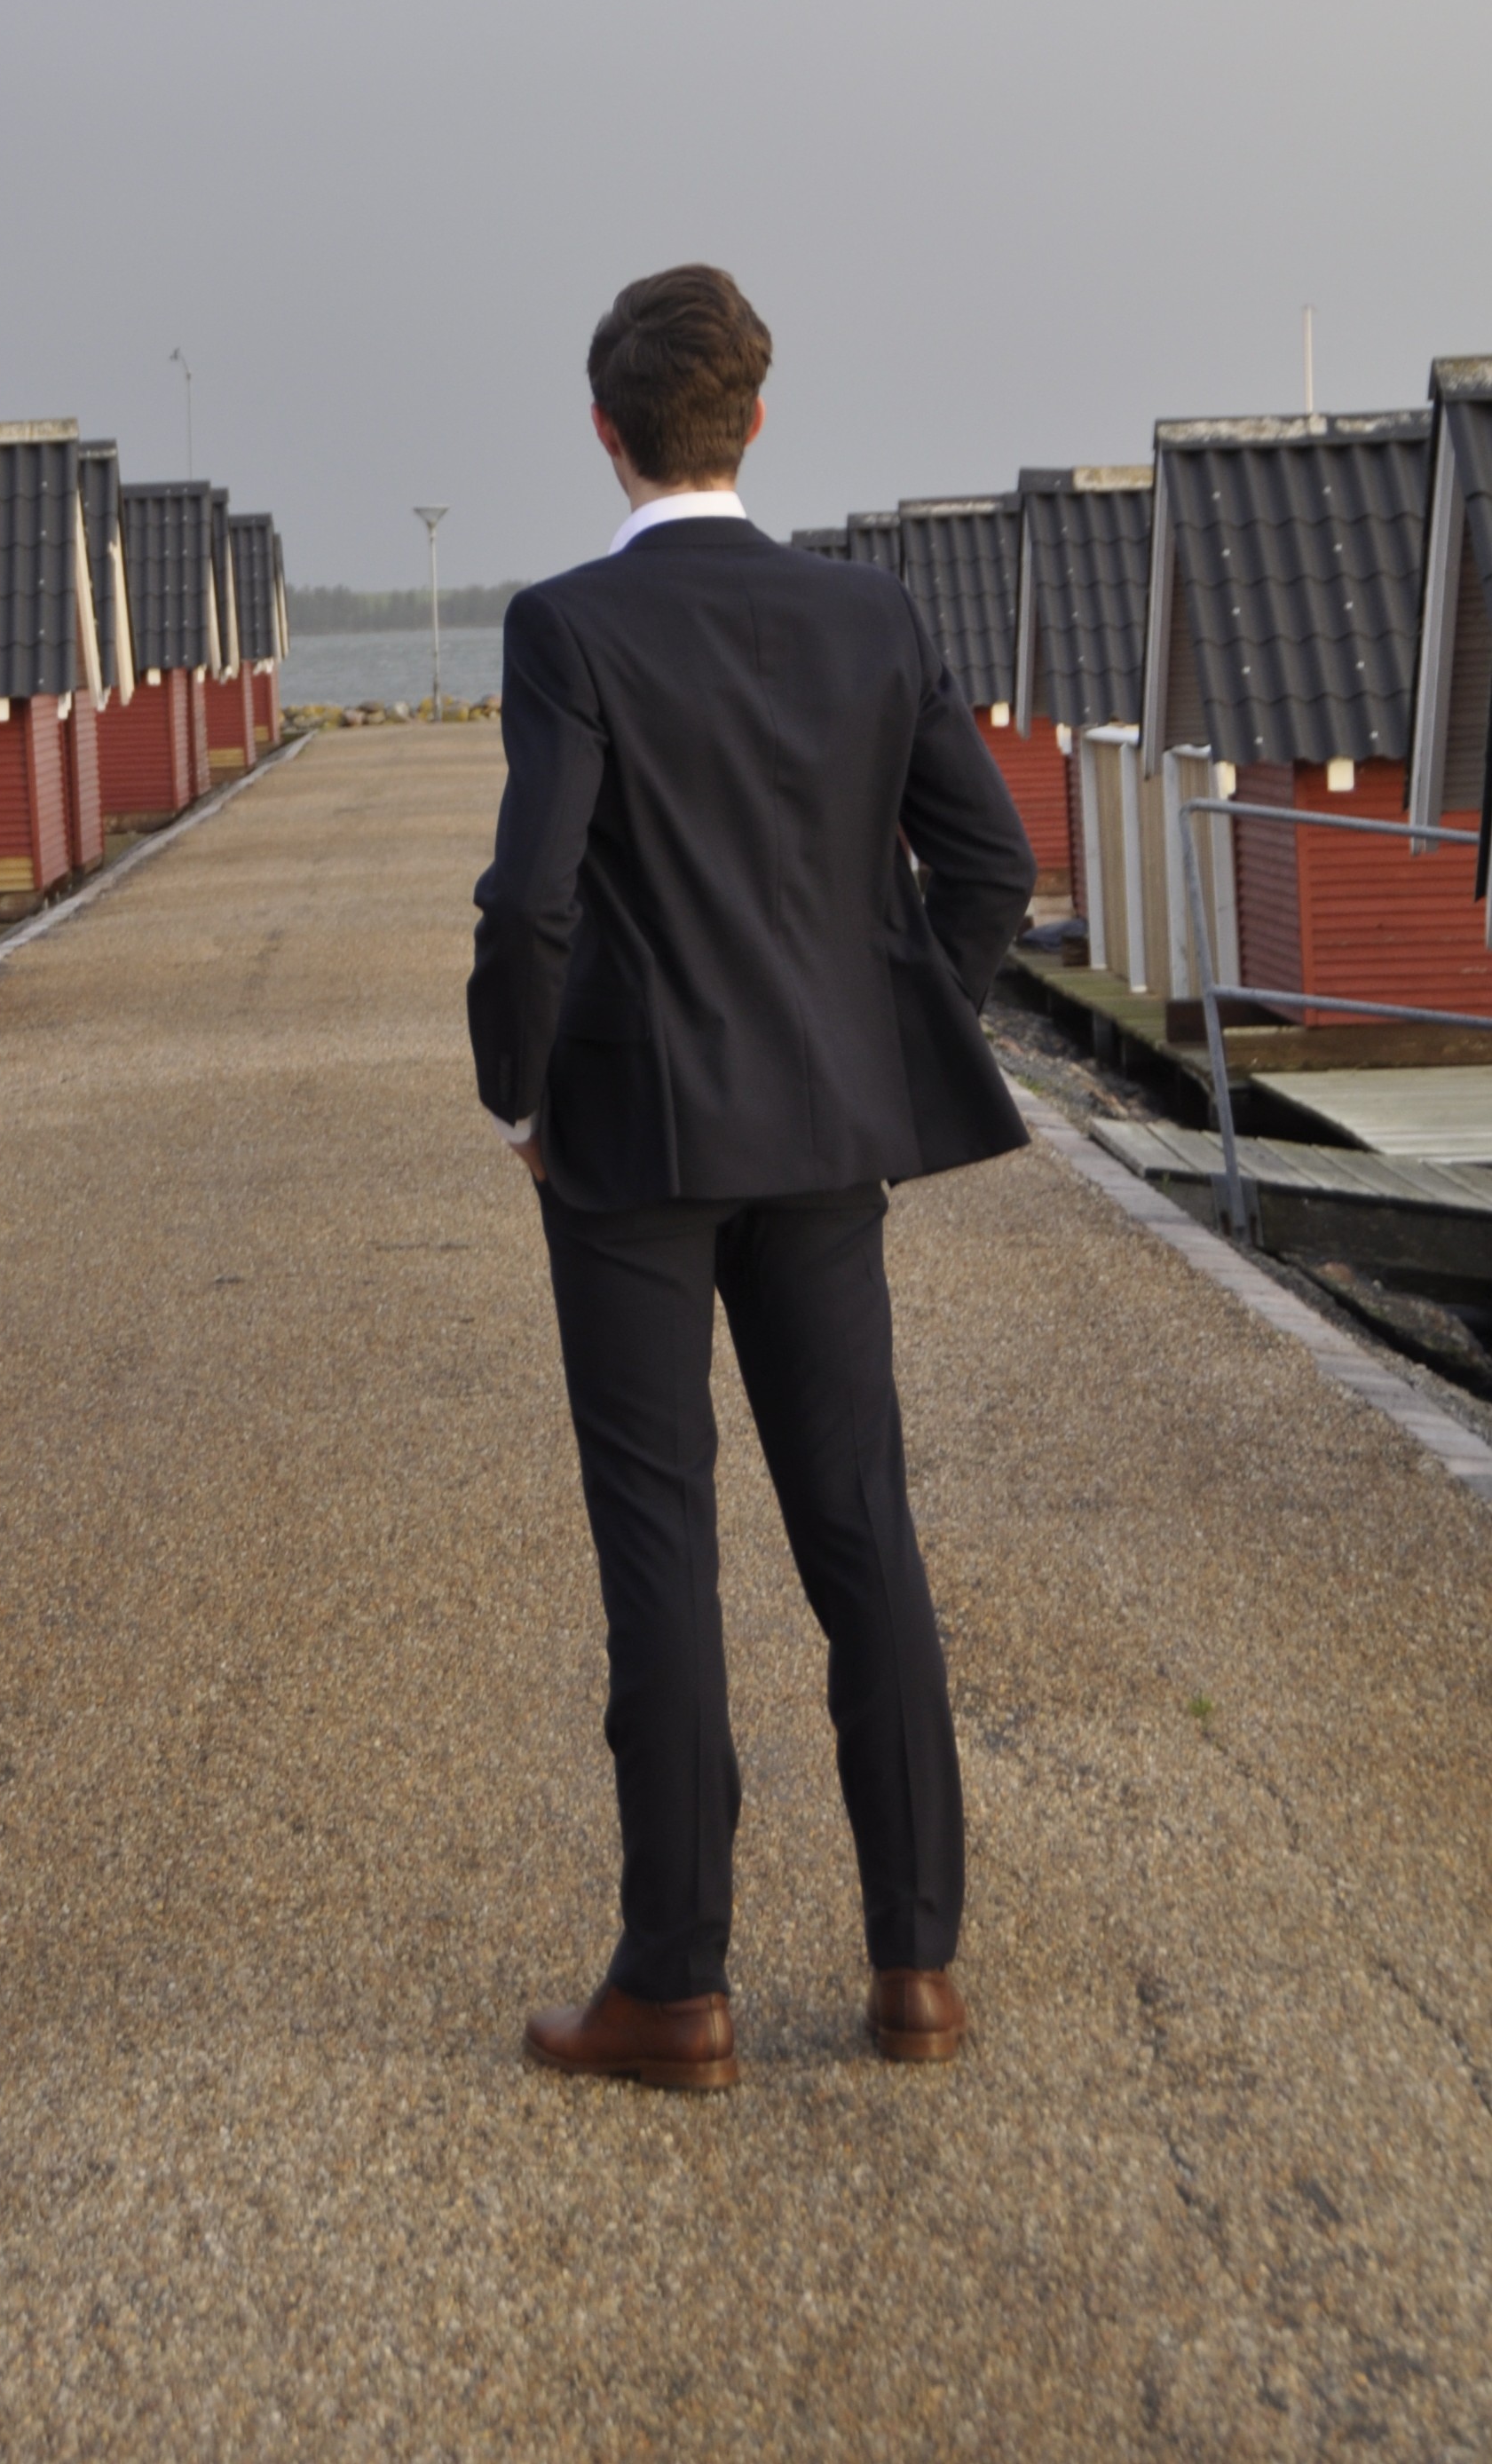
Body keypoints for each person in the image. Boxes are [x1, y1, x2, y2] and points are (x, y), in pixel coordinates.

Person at [468, 265, 1033, 2090]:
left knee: (663, 1541)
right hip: (818, 1139)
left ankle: (676, 1981)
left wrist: (512, 1099)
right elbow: (988, 866)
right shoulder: (865, 616)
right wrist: (889, 1041)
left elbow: (528, 897)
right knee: (860, 1526)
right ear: (753, 423)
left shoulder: (566, 628)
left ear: (603, 431)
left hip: (626, 1148)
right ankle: (913, 1966)